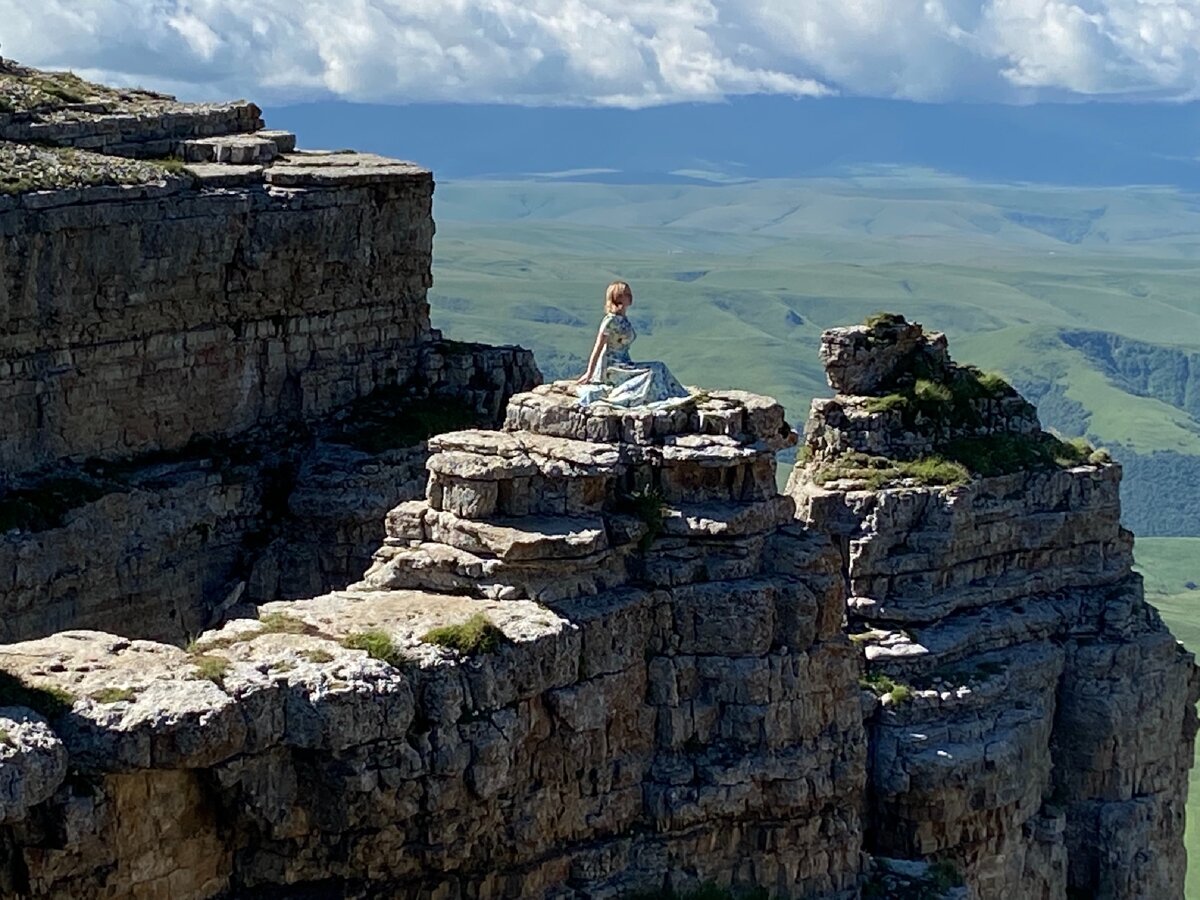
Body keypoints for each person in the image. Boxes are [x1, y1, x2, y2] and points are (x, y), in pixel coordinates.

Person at [574, 280, 692, 408]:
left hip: (625, 363)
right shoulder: (610, 320)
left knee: (660, 367)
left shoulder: (623, 319)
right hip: (613, 367)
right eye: (626, 294)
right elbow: (598, 347)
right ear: (617, 297)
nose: (630, 296)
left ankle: (678, 395)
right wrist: (590, 373)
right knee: (653, 372)